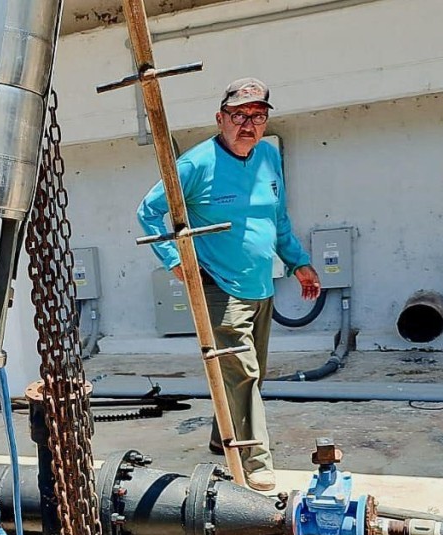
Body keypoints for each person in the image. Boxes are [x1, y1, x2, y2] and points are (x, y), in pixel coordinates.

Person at [136, 78, 320, 492]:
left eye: (258, 116)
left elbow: (278, 219)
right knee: (243, 375)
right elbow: (147, 213)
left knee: (252, 374)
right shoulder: (195, 165)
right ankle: (255, 461)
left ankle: (224, 439)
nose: (248, 124)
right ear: (220, 119)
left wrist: (299, 263)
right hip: (220, 287)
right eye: (239, 116)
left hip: (261, 287)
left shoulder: (268, 157)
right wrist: (173, 262)